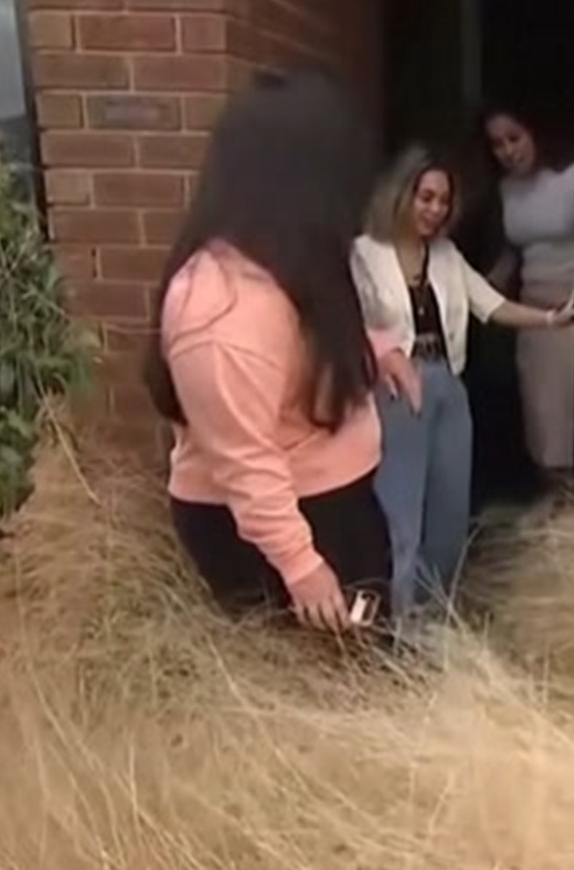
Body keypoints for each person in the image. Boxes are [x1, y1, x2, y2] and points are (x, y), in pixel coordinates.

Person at [144, 70, 419, 635]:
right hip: (281, 528)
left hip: (333, 503)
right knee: (317, 692)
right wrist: (302, 568)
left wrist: (377, 350)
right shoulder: (221, 310)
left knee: (365, 670)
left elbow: (306, 339)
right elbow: (245, 460)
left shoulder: (283, 256)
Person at [353, 145, 574, 615]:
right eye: (426, 197)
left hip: (448, 386)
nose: (435, 210)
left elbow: (490, 304)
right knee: (401, 510)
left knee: (449, 512)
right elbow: (352, 325)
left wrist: (549, 320)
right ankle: (396, 621)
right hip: (397, 389)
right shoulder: (364, 253)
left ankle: (433, 613)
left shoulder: (446, 255)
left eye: (442, 201)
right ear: (402, 195)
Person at [481, 103, 574, 487]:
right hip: (532, 315)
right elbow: (514, 250)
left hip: (572, 314)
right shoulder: (506, 190)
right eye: (497, 144)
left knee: (568, 423)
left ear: (535, 132)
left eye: (514, 138)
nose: (508, 150)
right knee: (539, 423)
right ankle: (553, 505)